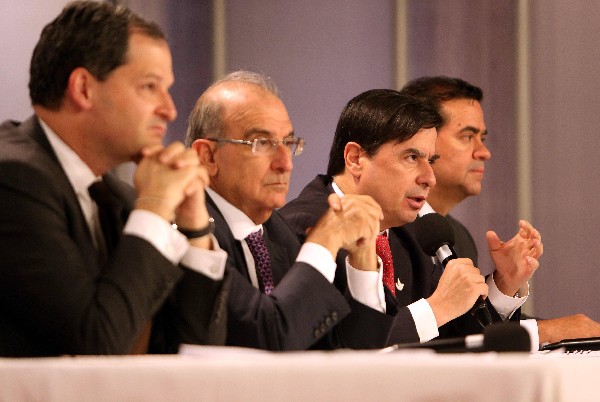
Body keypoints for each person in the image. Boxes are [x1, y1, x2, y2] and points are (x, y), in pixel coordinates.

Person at [0, 1, 228, 357]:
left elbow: (193, 354)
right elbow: (94, 345)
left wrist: (194, 227)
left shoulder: (116, 197)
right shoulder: (13, 178)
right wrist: (154, 208)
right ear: (84, 89)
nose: (170, 110)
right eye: (150, 87)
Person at [281, 88, 542, 345]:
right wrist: (436, 308)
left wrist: (504, 284)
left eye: (431, 160)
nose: (429, 178)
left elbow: (454, 334)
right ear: (355, 158)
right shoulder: (306, 229)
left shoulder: (407, 236)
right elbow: (339, 346)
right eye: (412, 157)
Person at [184, 70, 402, 350]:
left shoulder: (277, 232)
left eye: (288, 143)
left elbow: (353, 349)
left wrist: (361, 261)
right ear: (208, 156)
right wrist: (323, 242)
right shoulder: (192, 231)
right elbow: (267, 338)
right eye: (261, 143)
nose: (285, 163)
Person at [401, 75, 600, 346]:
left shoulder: (457, 236)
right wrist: (545, 332)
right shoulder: (386, 228)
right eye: (467, 136)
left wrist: (503, 283)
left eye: (482, 138)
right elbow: (401, 337)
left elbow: (462, 328)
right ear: (423, 139)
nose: (484, 152)